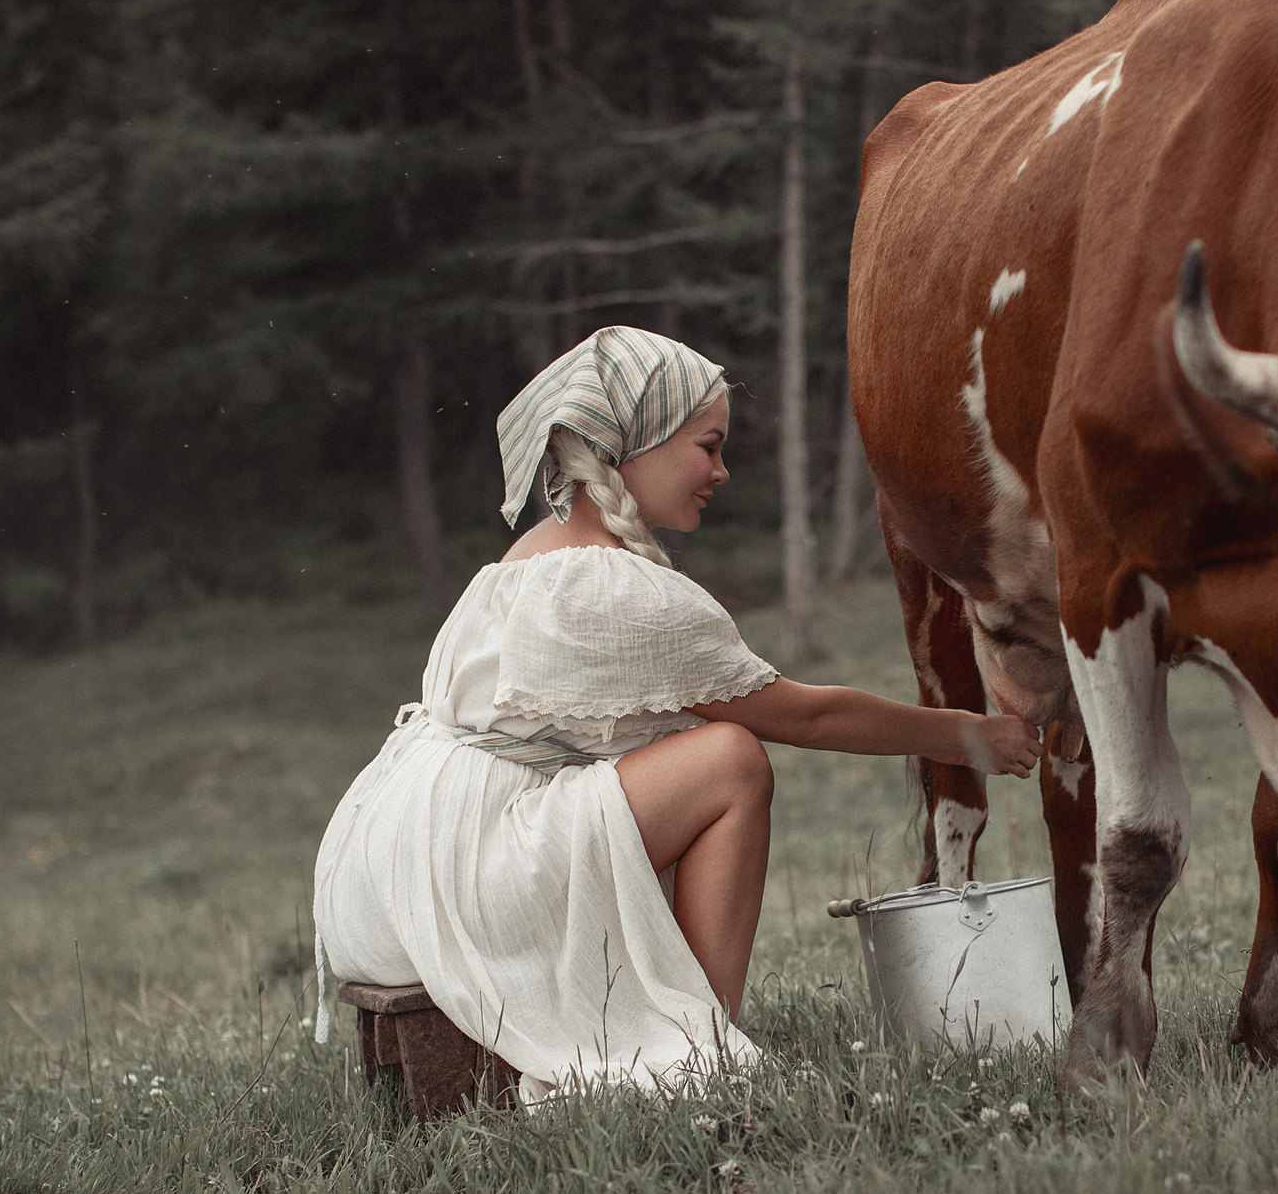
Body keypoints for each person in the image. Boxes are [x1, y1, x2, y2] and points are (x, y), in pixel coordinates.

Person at [312, 326, 1039, 1099]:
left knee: (671, 762)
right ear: (634, 443)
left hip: (384, 871)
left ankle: (671, 1018)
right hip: (467, 884)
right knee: (729, 760)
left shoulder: (521, 560)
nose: (722, 471)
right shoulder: (619, 591)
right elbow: (806, 718)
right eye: (709, 445)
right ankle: (699, 1049)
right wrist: (968, 736)